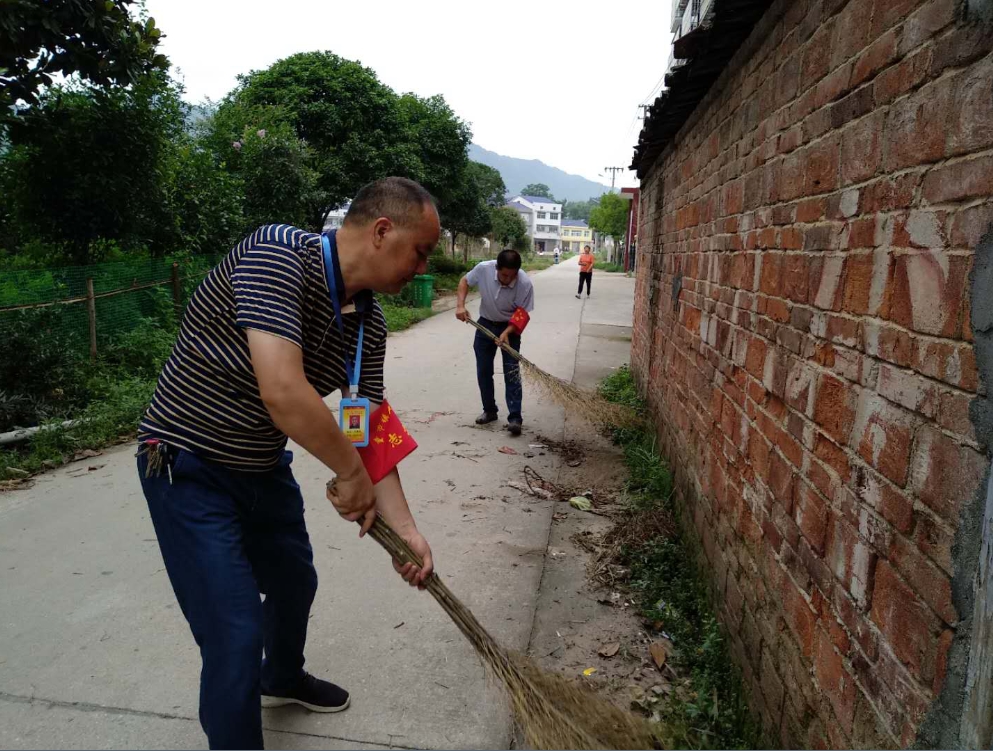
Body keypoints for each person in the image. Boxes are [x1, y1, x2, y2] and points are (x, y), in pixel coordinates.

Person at [135, 177, 440, 750]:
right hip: (187, 466)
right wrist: (349, 474)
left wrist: (406, 531)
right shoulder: (277, 253)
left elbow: (371, 424)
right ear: (382, 231)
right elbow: (281, 388)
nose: (424, 267)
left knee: (294, 580)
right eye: (421, 252)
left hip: (260, 466)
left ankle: (280, 677)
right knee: (234, 633)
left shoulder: (367, 325)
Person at [455, 249, 535, 437]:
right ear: (497, 268)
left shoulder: (524, 283)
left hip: (510, 327)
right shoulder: (484, 269)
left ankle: (515, 418)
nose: (508, 279)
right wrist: (460, 306)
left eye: (512, 276)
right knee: (483, 370)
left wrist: (507, 332)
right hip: (485, 324)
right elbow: (464, 281)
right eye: (504, 275)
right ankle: (489, 410)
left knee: (511, 372)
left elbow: (522, 314)